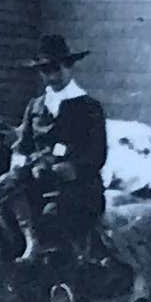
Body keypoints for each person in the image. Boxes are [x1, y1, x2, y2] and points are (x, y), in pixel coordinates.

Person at [9, 32, 111, 258]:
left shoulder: (88, 107)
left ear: (69, 67)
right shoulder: (35, 106)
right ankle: (30, 241)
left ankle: (68, 281)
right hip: (38, 180)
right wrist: (20, 163)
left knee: (53, 214)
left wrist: (70, 169)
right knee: (4, 188)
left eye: (56, 69)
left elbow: (97, 154)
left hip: (78, 187)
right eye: (45, 70)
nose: (52, 76)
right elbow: (22, 144)